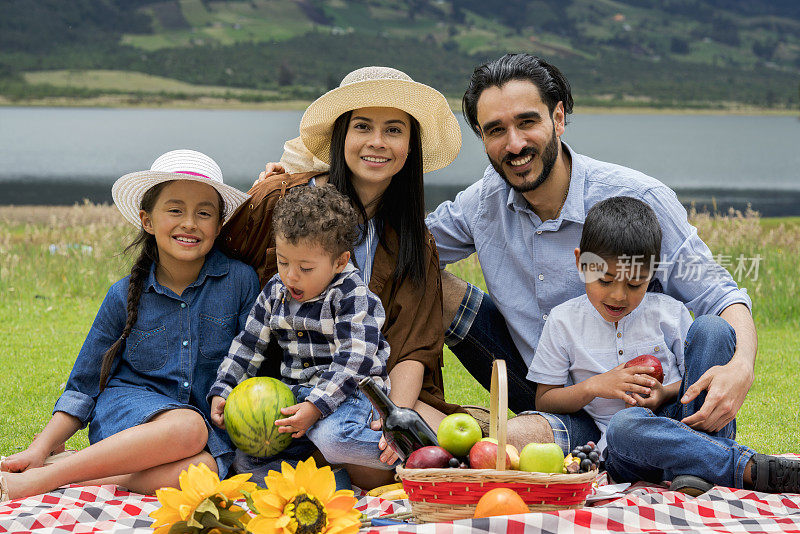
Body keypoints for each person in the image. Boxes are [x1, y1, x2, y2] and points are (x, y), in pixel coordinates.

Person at [424, 53, 757, 451]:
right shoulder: (480, 204)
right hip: (545, 389)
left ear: (558, 118)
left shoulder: (639, 198)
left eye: (527, 122)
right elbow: (401, 248)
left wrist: (742, 366)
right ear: (482, 137)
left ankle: (697, 454)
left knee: (503, 445)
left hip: (641, 402)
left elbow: (721, 296)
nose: (514, 144)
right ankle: (418, 407)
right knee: (425, 276)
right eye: (496, 130)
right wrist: (338, 181)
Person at [216, 66, 465, 487]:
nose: (377, 142)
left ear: (411, 145)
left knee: (364, 459)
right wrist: (224, 388)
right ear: (340, 136)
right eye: (362, 126)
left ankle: (401, 456)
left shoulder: (412, 240)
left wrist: (392, 422)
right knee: (244, 464)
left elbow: (414, 348)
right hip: (278, 397)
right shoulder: (281, 201)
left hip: (360, 394)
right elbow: (216, 271)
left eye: (394, 130)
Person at [0, 150, 257, 501]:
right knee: (188, 426)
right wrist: (39, 447)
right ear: (147, 221)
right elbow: (84, 384)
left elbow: (254, 359)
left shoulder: (240, 281)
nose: (190, 223)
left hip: (199, 433)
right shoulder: (123, 295)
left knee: (205, 471)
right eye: (175, 210)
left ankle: (71, 470)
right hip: (129, 415)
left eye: (204, 213)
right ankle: (41, 476)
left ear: (219, 224)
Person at [531, 196, 800, 494]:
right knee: (624, 425)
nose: (619, 296)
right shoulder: (563, 321)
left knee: (713, 327)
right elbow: (545, 399)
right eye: (605, 281)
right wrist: (597, 386)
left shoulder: (668, 313)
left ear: (652, 272)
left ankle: (696, 471)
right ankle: (746, 467)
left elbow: (694, 383)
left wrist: (662, 394)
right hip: (631, 448)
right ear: (582, 263)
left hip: (686, 419)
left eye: (634, 285)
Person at [209, 185, 396, 472]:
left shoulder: (350, 294)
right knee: (246, 460)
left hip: (351, 395)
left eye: (305, 268)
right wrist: (224, 388)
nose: (290, 276)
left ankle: (414, 450)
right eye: (283, 262)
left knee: (331, 439)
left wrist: (316, 407)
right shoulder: (275, 290)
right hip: (297, 395)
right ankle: (325, 484)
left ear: (339, 262)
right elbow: (248, 346)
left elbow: (355, 360)